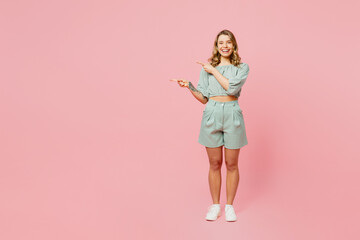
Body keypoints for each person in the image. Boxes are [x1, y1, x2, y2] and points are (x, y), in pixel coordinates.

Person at [170, 29, 250, 222]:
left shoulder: (242, 67)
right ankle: (215, 206)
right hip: (212, 112)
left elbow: (231, 87)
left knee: (232, 164)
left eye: (228, 42)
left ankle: (229, 206)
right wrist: (189, 86)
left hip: (232, 112)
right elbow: (205, 98)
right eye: (221, 42)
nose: (225, 46)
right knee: (214, 163)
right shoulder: (205, 69)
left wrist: (213, 70)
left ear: (234, 45)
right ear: (216, 46)